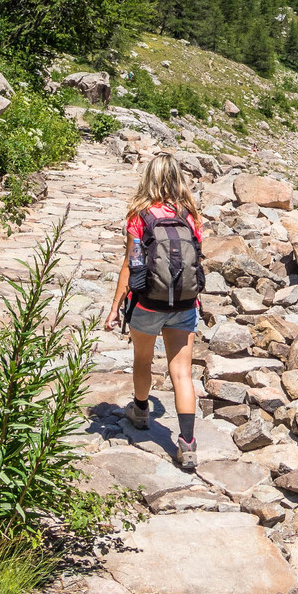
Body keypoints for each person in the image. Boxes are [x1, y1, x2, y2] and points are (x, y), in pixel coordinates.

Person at [107, 151, 205, 471]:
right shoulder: (190, 215)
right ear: (178, 178)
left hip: (148, 302)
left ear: (148, 178)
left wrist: (115, 307)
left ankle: (140, 410)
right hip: (185, 305)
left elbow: (132, 264)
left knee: (143, 360)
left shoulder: (139, 216)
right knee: (182, 373)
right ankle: (187, 444)